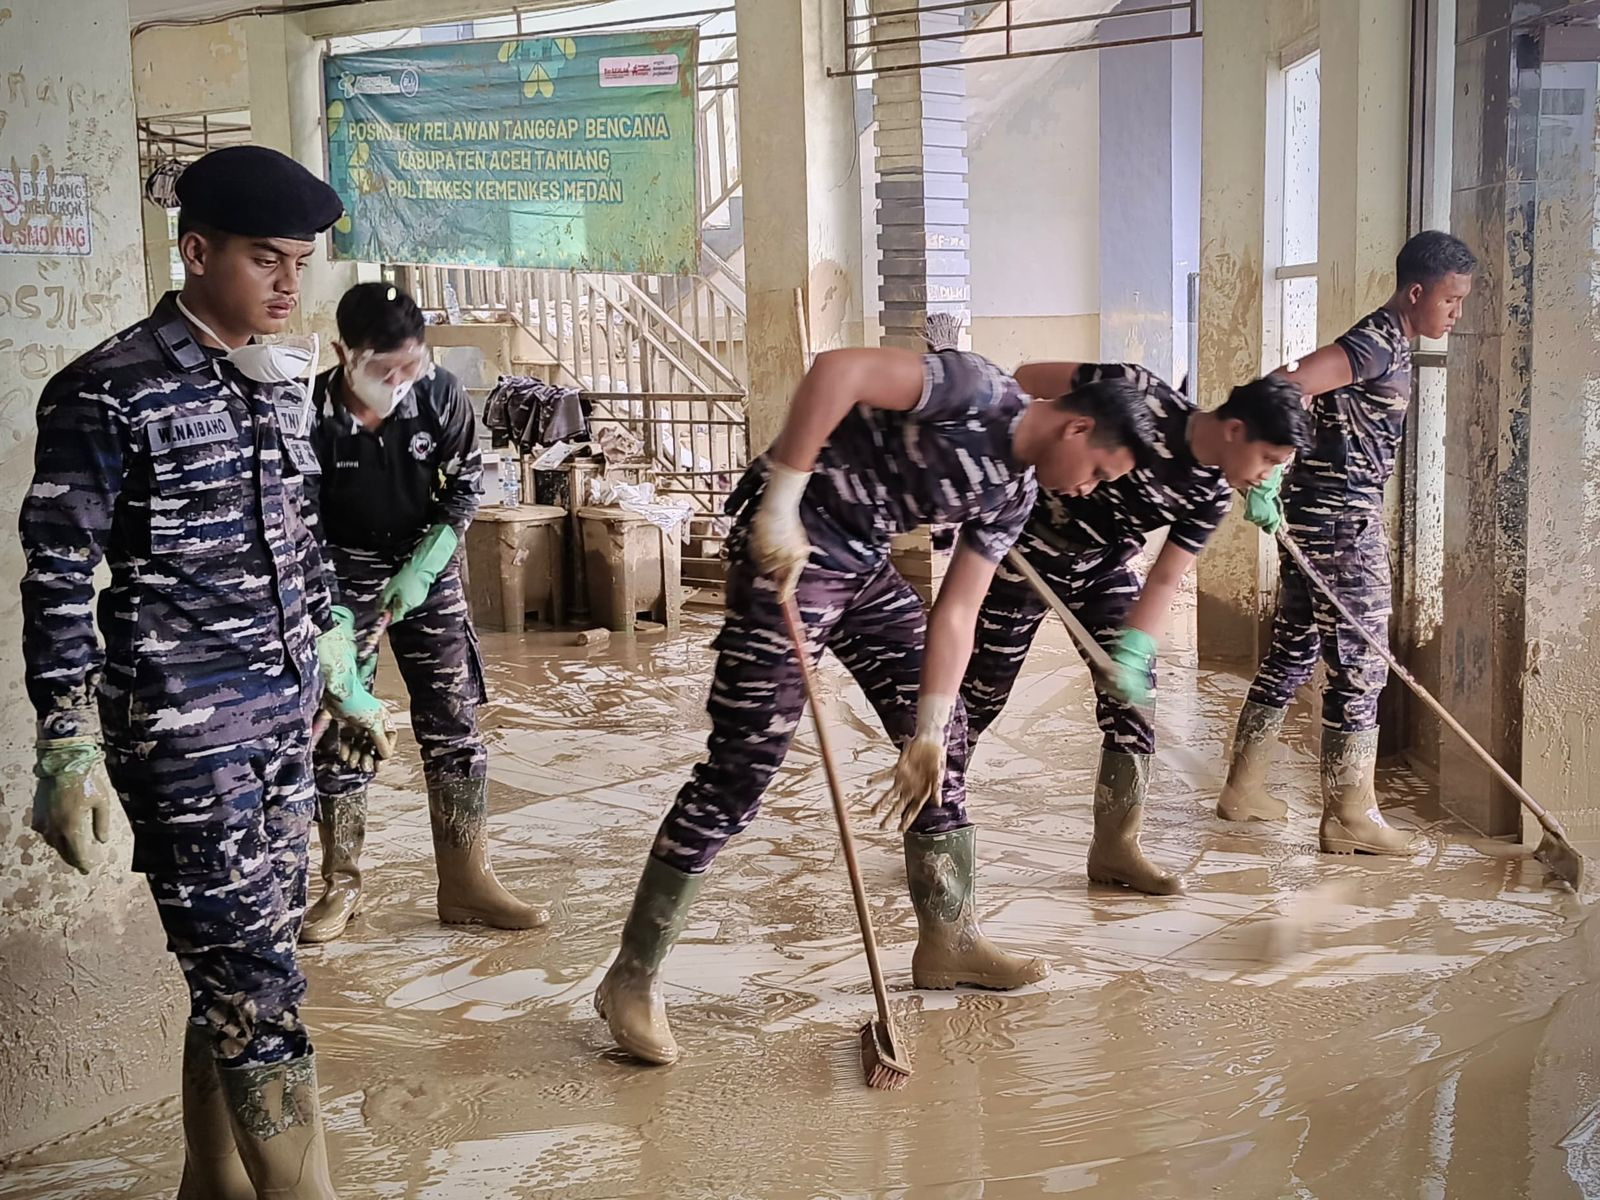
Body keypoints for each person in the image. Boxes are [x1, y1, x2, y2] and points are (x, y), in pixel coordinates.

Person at [594, 345, 1158, 1066]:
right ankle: (631, 978)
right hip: (790, 544)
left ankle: (950, 939)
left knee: (945, 738)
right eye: (1099, 475)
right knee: (743, 767)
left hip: (859, 564)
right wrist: (779, 502)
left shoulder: (1013, 493)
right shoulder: (973, 390)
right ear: (1078, 431)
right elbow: (837, 371)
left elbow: (958, 612)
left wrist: (924, 730)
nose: (1087, 492)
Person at [19, 146, 390, 1199]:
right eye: (267, 259)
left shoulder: (278, 387)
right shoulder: (107, 390)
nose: (290, 284)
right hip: (182, 737)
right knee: (258, 987)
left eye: (303, 263)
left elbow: (302, 549)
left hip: (284, 725)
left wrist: (341, 677)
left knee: (244, 970)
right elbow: (56, 573)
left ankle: (210, 1183)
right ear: (196, 251)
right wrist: (68, 741)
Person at [961, 366, 1311, 894]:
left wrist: (1134, 649)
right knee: (979, 700)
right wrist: (1003, 458)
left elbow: (1166, 577)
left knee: (1135, 701)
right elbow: (1030, 377)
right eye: (1268, 459)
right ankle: (934, 823)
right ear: (1236, 429)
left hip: (1102, 570)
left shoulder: (1211, 496)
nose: (1265, 476)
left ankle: (1116, 850)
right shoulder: (1139, 392)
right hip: (1020, 555)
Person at [1217, 230, 1478, 855]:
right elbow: (1285, 385)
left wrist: (1281, 478)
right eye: (1450, 301)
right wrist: (1265, 467)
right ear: (1416, 292)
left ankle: (1243, 789)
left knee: (1295, 651)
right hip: (1340, 526)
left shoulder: (1389, 342)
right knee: (1360, 666)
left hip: (1315, 518)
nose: (1456, 313)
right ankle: (1349, 814)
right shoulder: (1377, 342)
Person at [299, 282, 545, 943]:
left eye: (413, 365)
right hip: (339, 569)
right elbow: (294, 525)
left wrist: (430, 559)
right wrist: (330, 618)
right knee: (348, 720)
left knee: (452, 720)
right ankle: (341, 883)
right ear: (344, 355)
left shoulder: (437, 396)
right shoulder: (306, 413)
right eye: (385, 371)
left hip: (423, 566)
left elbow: (464, 490)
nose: (402, 382)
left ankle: (467, 880)